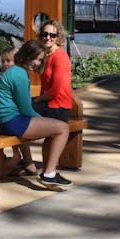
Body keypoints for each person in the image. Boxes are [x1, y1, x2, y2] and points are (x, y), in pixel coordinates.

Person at [0, 39, 72, 190]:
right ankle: (49, 174)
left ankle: (50, 171)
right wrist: (45, 121)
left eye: (40, 59)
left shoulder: (16, 71)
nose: (37, 62)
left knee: (55, 128)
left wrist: (46, 123)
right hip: (12, 121)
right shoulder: (19, 74)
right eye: (35, 58)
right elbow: (26, 109)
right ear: (27, 55)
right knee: (62, 128)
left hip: (6, 120)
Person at [0, 48, 36, 177]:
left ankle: (16, 163)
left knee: (19, 130)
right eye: (3, 61)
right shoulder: (4, 78)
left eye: (8, 60)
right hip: (2, 120)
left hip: (6, 119)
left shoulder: (12, 77)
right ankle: (20, 163)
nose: (5, 64)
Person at [34, 19, 74, 174]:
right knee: (48, 140)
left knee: (16, 116)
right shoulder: (46, 55)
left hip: (57, 106)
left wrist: (37, 100)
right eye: (45, 34)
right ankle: (46, 170)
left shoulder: (59, 57)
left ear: (58, 37)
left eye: (52, 35)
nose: (48, 37)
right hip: (49, 103)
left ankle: (44, 170)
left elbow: (55, 90)